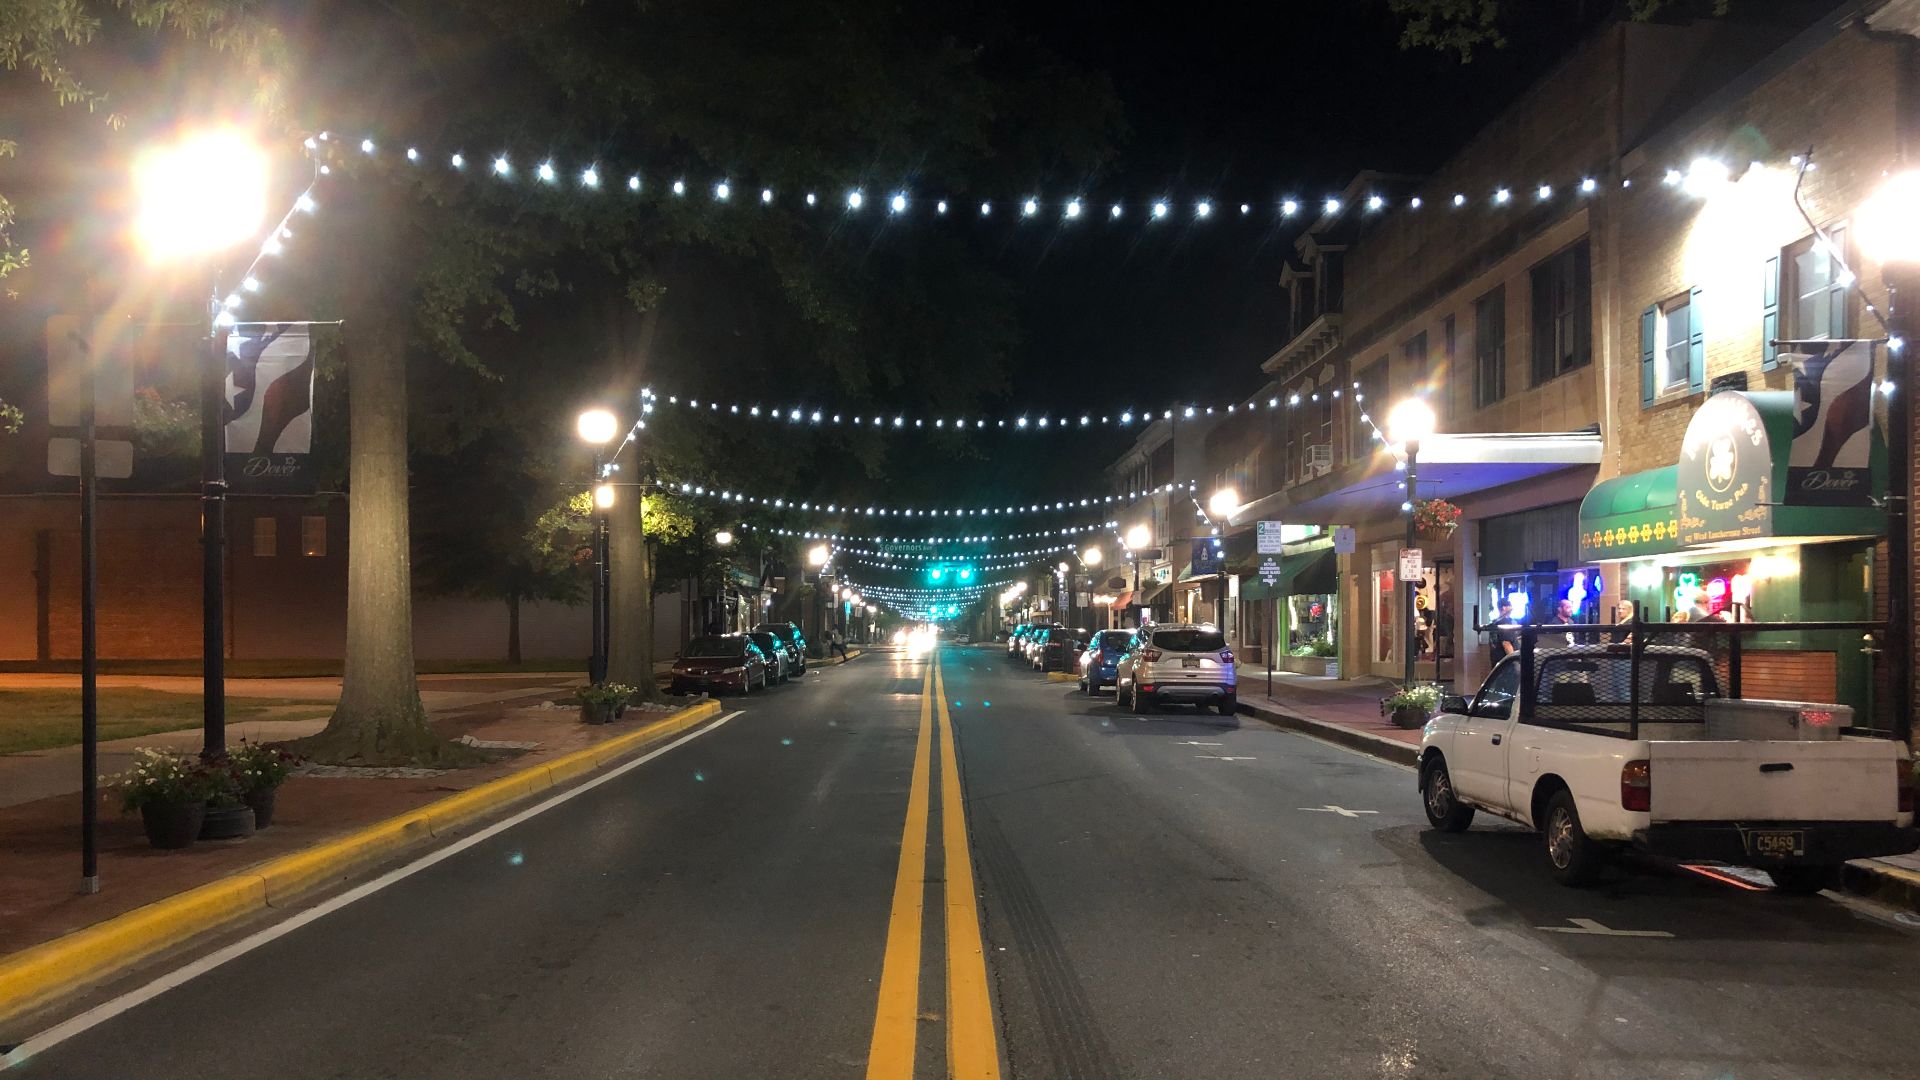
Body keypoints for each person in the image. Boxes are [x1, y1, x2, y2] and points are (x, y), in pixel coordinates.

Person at [1476, 599, 1521, 665]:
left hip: (1498, 664)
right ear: (1504, 607)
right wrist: (1515, 663)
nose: (1512, 608)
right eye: (1510, 606)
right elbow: (1506, 644)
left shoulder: (1495, 622)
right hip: (1507, 665)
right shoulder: (1505, 622)